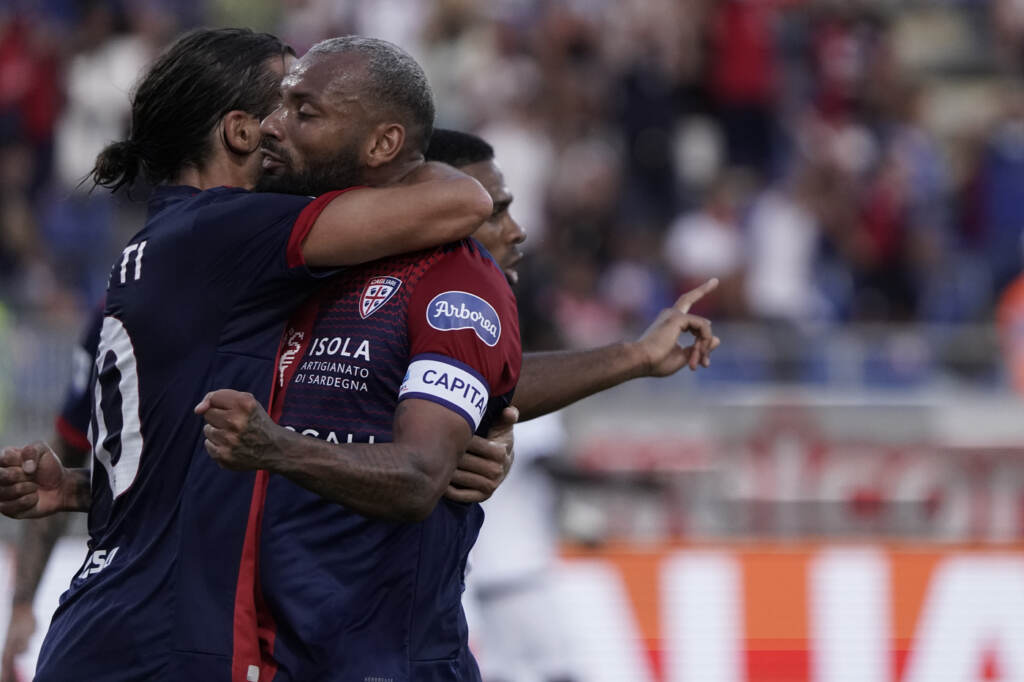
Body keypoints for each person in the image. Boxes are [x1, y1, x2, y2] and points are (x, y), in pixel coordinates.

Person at [0, 28, 494, 682]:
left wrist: (481, 422)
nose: (291, 124)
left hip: (103, 621)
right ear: (241, 132)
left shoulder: (157, 250)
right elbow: (463, 201)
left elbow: (181, 461)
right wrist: (384, 152)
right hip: (171, 640)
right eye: (287, 104)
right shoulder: (228, 232)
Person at [193, 37, 525, 682]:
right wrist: (82, 487)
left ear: (381, 144)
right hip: (262, 655)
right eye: (278, 106)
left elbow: (419, 475)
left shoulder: (455, 280)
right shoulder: (289, 262)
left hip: (382, 663)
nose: (272, 126)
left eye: (304, 112)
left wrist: (276, 447)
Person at [423, 128, 722, 681]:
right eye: (494, 212)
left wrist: (635, 357)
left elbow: (486, 389)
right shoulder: (378, 322)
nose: (517, 231)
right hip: (509, 571)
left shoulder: (456, 345)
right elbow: (537, 450)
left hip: (469, 577)